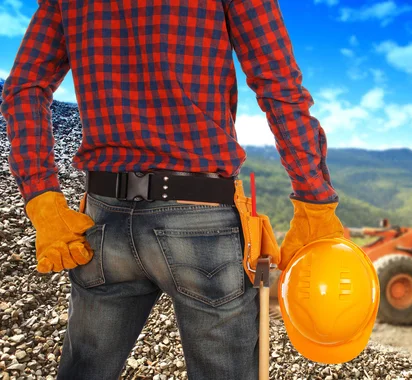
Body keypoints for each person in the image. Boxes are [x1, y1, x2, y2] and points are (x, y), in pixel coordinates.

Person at [0, 1, 344, 379]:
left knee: (85, 369)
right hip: (201, 216)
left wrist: (42, 198)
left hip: (102, 218)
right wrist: (314, 200)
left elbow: (23, 88)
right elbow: (279, 86)